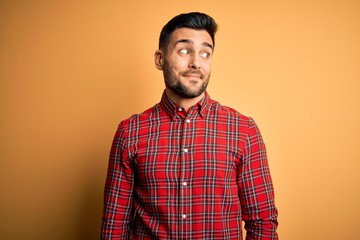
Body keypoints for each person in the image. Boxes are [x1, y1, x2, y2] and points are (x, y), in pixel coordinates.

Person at [101, 12, 278, 239]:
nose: (196, 62)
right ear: (160, 59)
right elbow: (114, 226)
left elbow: (262, 223)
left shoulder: (243, 130)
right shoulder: (130, 132)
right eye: (184, 51)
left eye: (205, 53)